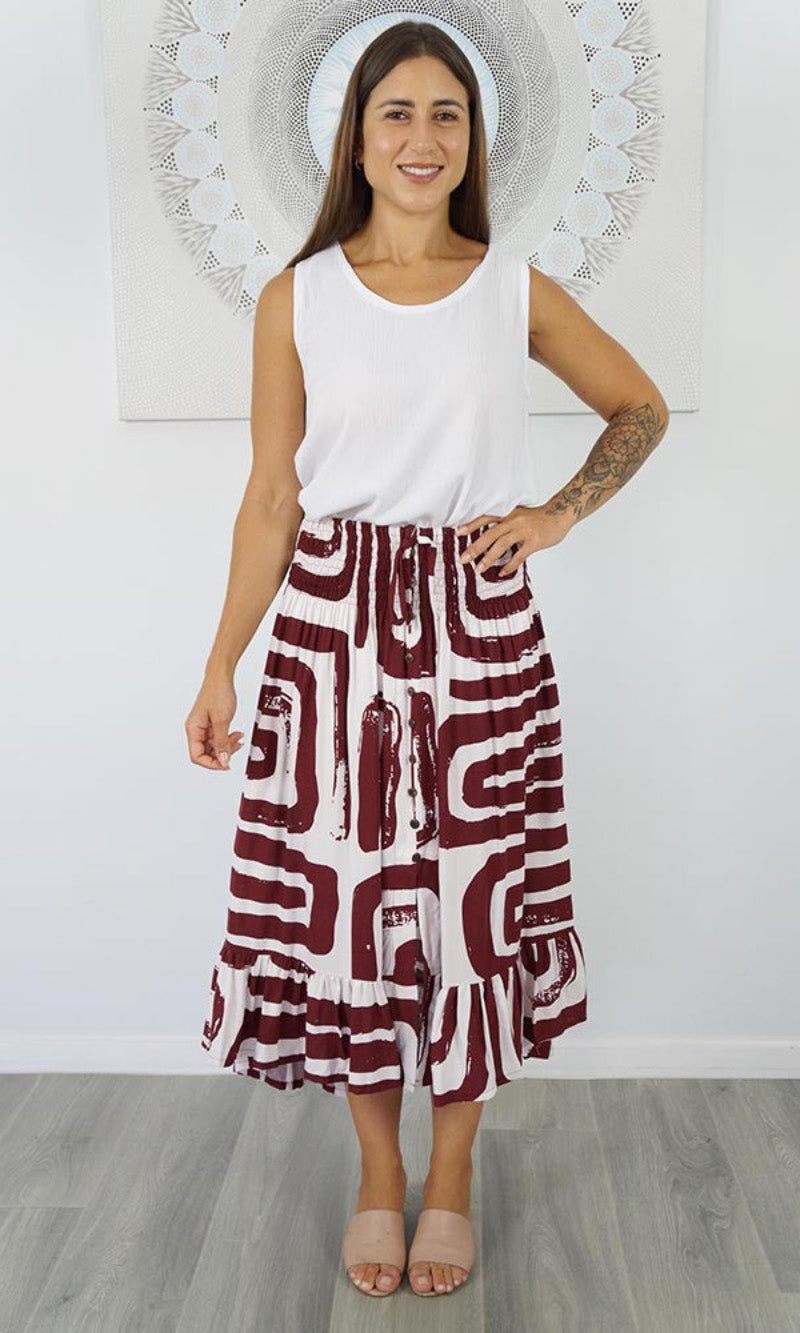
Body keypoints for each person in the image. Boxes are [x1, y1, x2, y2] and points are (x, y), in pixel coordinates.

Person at [186, 20, 669, 1303]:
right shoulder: (297, 298)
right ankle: (377, 1170)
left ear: (472, 139)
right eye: (395, 112)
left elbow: (637, 407)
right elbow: (271, 498)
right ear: (354, 138)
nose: (421, 137)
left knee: (469, 906)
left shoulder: (510, 288)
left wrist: (556, 512)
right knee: (347, 910)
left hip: (477, 631)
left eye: (445, 113)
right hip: (329, 634)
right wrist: (222, 663)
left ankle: (450, 1173)